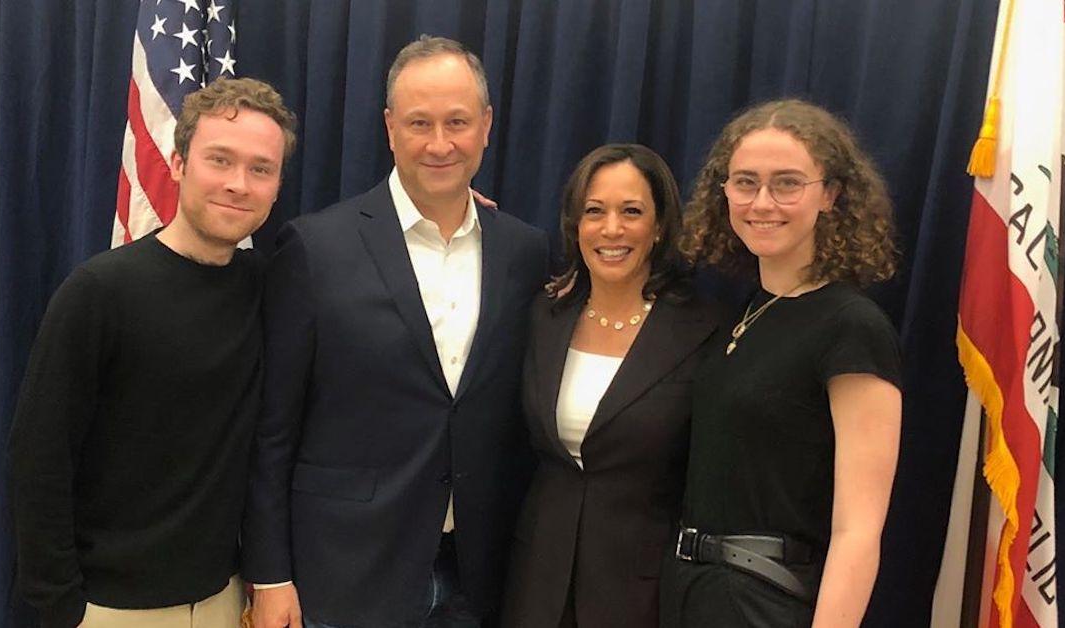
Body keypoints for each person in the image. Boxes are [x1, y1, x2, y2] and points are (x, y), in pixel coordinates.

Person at [242, 36, 549, 628]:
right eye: (419, 123)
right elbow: (272, 429)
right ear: (389, 128)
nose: (440, 143)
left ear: (486, 126)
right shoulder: (315, 247)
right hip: (345, 574)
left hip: (480, 576)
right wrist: (270, 574)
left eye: (457, 121)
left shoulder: (524, 251)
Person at [8, 77, 296, 628]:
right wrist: (63, 607)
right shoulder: (99, 292)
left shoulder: (273, 286)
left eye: (261, 168)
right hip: (109, 609)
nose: (239, 183)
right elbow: (39, 458)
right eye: (220, 160)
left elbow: (356, 259)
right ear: (180, 164)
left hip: (224, 602)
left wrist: (448, 206)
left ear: (277, 186)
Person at [660, 99, 902, 628]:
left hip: (768, 604)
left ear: (831, 195)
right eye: (745, 182)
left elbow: (858, 529)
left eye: (787, 183)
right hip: (690, 592)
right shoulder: (742, 312)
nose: (762, 202)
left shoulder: (852, 327)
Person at [500, 144, 723, 627]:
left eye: (632, 212)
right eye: (594, 211)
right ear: (576, 225)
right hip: (536, 584)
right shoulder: (545, 315)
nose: (612, 229)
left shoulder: (703, 331)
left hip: (643, 594)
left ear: (660, 225)